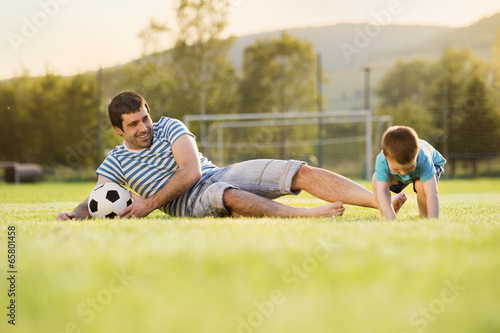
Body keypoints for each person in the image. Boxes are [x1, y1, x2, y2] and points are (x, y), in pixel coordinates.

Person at [57, 91, 406, 220]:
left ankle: (380, 203)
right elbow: (99, 197)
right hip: (186, 204)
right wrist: (74, 216)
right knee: (227, 196)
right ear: (119, 131)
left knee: (297, 170)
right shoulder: (114, 161)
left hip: (216, 172)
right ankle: (307, 216)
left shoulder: (170, 127)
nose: (143, 127)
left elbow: (192, 170)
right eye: (133, 125)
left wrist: (148, 204)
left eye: (145, 117)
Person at [372, 125, 446, 219]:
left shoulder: (424, 158)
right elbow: (382, 191)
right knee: (376, 179)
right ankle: (387, 214)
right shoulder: (382, 160)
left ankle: (424, 217)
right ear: (385, 156)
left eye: (409, 168)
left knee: (421, 185)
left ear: (417, 153)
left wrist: (433, 219)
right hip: (406, 170)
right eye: (396, 169)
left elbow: (432, 192)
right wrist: (392, 219)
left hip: (431, 164)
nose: (403, 173)